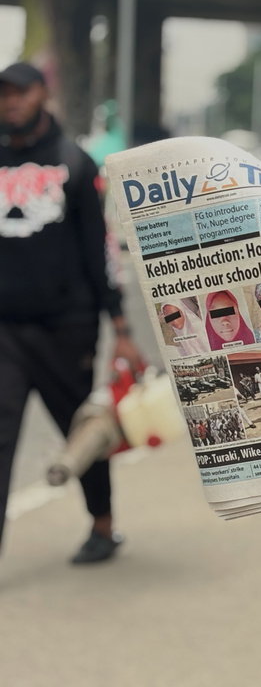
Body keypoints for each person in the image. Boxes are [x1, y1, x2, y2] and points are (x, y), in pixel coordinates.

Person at [0, 61, 142, 563]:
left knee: (83, 431)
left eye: (20, 92)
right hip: (6, 332)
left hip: (67, 328)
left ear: (42, 94)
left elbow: (99, 250)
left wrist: (120, 327)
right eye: (4, 94)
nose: (11, 102)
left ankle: (103, 527)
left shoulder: (74, 164)